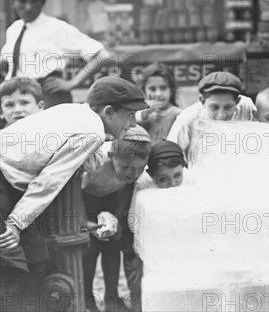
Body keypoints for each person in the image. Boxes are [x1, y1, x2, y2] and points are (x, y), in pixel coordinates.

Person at [0, 76, 147, 305]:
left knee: (34, 260)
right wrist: (17, 222)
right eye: (129, 115)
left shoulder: (76, 112)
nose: (132, 124)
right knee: (13, 263)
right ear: (108, 112)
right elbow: (50, 180)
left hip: (8, 182)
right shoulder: (92, 131)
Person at [1, 0, 112, 107]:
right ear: (13, 2)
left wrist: (73, 83)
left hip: (48, 95)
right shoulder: (14, 29)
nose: (28, 6)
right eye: (22, 0)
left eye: (34, 0)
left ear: (43, 2)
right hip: (19, 96)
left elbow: (102, 55)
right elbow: (7, 62)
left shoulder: (57, 28)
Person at [81, 126, 151, 312]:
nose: (132, 173)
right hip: (86, 204)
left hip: (113, 204)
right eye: (127, 167)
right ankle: (87, 297)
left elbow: (128, 192)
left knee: (113, 246)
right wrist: (86, 224)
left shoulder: (134, 175)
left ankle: (111, 296)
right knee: (89, 249)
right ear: (111, 156)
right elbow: (74, 197)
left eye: (139, 168)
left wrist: (118, 220)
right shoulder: (93, 167)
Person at [127, 140, 186, 312]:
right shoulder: (143, 185)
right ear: (151, 175)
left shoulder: (190, 180)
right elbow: (133, 222)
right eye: (163, 179)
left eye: (177, 175)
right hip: (148, 249)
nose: (173, 183)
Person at [168, 71, 255, 164]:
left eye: (228, 107)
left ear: (237, 101)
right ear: (202, 101)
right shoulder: (188, 119)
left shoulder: (246, 107)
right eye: (214, 107)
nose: (221, 115)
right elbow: (170, 154)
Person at [136, 63, 182, 143]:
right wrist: (145, 112)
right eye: (152, 89)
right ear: (144, 91)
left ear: (171, 90)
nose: (158, 94)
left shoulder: (178, 115)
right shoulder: (143, 115)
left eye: (163, 88)